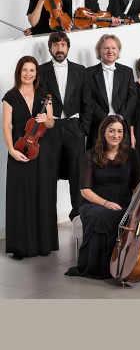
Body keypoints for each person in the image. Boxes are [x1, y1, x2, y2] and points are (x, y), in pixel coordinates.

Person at [65, 116, 140, 279]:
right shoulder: (90, 155)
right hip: (94, 203)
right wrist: (106, 203)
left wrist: (134, 206)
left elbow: (137, 186)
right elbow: (85, 190)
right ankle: (99, 267)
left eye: (119, 131)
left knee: (117, 214)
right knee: (100, 215)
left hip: (122, 203)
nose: (116, 135)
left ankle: (115, 264)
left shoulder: (131, 155)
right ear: (103, 132)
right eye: (111, 131)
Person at [3, 56, 57, 259]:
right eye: (24, 70)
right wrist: (11, 150)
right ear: (19, 72)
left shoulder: (44, 95)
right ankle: (20, 247)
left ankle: (43, 244)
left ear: (36, 73)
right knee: (20, 198)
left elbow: (51, 123)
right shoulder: (10, 96)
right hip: (19, 149)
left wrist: (46, 119)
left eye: (32, 70)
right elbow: (6, 125)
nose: (28, 74)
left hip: (41, 152)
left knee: (42, 195)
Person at [38, 31, 90, 220]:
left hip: (74, 127)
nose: (59, 49)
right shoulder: (40, 70)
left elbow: (87, 102)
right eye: (55, 45)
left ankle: (78, 216)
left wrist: (83, 129)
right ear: (50, 48)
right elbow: (38, 100)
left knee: (77, 174)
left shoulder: (80, 70)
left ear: (68, 47)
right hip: (50, 128)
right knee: (49, 173)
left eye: (62, 45)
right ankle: (48, 220)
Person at [85, 34, 136, 147]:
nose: (110, 51)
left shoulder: (127, 72)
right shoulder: (88, 73)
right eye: (106, 48)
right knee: (98, 156)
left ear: (118, 51)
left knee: (122, 156)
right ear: (99, 50)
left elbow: (132, 97)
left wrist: (121, 116)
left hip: (121, 125)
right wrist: (104, 118)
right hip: (98, 125)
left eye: (114, 48)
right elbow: (88, 99)